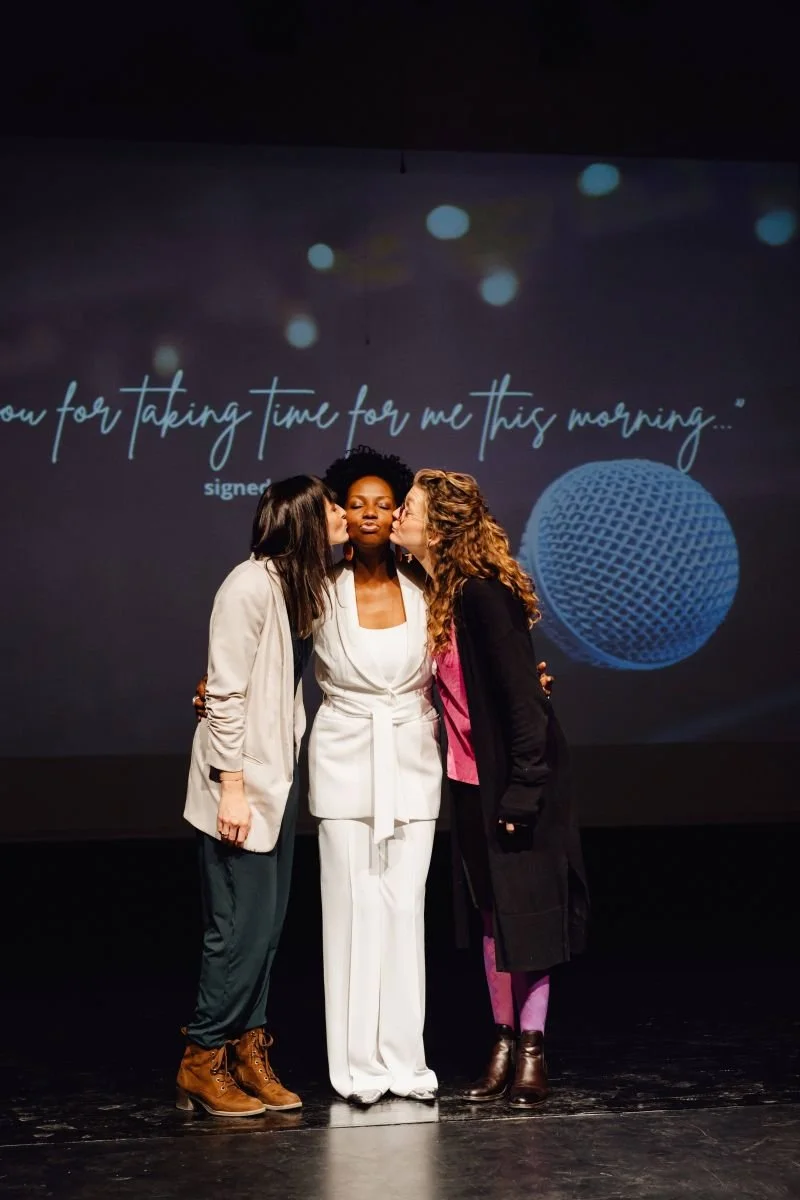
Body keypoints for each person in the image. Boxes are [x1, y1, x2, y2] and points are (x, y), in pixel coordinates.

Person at [391, 469, 589, 1109]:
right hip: (471, 782)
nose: (398, 517)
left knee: (526, 919)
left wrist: (523, 794)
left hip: (515, 785)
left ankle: (531, 1049)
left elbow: (525, 709)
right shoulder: (441, 593)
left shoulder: (484, 595)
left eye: (410, 509)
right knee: (490, 918)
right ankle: (501, 1040)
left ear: (441, 524)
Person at [177, 476, 348, 1117]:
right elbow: (223, 693)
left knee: (267, 932)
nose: (341, 516)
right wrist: (232, 787)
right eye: (331, 507)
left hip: (275, 778)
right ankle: (202, 1059)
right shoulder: (247, 586)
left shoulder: (298, 586)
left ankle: (249, 1051)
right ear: (303, 518)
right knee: (236, 931)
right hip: (239, 783)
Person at [310, 446, 442, 1106]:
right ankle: (356, 1067)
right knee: (351, 911)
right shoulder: (317, 589)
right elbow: (269, 650)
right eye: (355, 503)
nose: (369, 513)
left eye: (381, 503)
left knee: (403, 910)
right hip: (342, 758)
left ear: (397, 514)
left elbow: (464, 665)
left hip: (413, 760)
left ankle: (405, 1062)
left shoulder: (426, 588)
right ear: (340, 512)